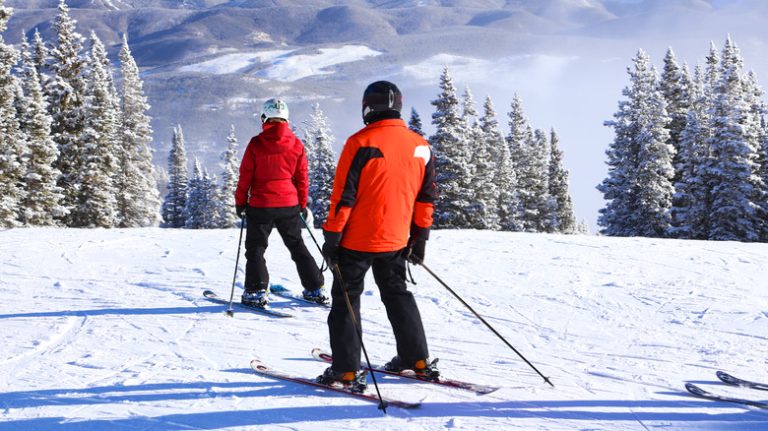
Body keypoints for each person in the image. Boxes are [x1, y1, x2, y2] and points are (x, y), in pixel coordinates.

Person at [317, 81, 438, 389]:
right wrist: (419, 238)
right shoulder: (420, 145)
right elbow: (426, 199)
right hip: (397, 239)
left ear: (367, 107)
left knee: (346, 300)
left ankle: (345, 370)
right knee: (398, 295)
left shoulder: (360, 142)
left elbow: (343, 197)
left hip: (356, 240)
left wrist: (331, 239)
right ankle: (416, 359)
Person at [235, 98, 326, 307]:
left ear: (264, 118)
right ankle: (314, 288)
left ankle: (256, 291)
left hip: (260, 205)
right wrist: (302, 204)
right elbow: (302, 179)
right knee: (297, 246)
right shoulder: (296, 144)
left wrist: (240, 202)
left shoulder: (256, 143)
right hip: (289, 205)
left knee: (256, 249)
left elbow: (245, 177)